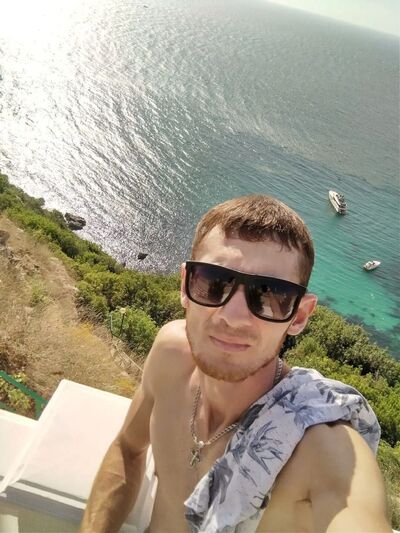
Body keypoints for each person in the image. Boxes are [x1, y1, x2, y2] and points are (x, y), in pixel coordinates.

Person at [80, 195, 390, 533]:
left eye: (269, 294)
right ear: (186, 285)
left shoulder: (319, 448)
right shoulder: (171, 354)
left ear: (299, 316)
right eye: (214, 283)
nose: (233, 317)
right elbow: (128, 449)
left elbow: (353, 507)